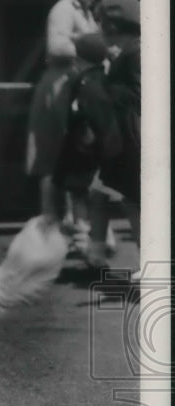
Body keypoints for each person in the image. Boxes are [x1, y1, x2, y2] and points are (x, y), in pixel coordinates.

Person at [25, 0, 104, 218]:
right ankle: (51, 223)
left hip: (77, 85)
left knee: (75, 156)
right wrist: (96, 49)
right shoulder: (63, 9)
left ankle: (73, 225)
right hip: (60, 86)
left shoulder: (87, 11)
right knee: (53, 156)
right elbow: (57, 46)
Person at [86, 0, 142, 278]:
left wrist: (104, 91)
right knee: (131, 199)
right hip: (129, 138)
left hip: (136, 138)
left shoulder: (136, 53)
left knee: (136, 200)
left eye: (101, 23)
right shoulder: (129, 52)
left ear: (113, 26)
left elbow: (138, 95)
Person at [51, 32, 121, 259]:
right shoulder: (109, 81)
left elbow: (75, 115)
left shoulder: (82, 84)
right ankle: (101, 244)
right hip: (103, 152)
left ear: (82, 60)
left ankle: (83, 243)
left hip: (82, 151)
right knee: (99, 200)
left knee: (79, 197)